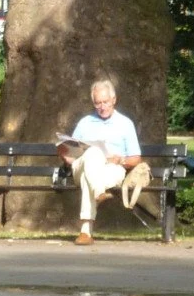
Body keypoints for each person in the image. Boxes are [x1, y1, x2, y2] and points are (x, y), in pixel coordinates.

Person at [56, 79, 141, 246]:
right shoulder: (85, 122)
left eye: (105, 102)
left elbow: (136, 158)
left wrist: (121, 159)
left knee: (89, 177)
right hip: (82, 166)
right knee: (93, 152)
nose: (102, 107)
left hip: (112, 169)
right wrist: (67, 156)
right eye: (97, 103)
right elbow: (74, 149)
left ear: (114, 100)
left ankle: (85, 231)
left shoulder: (125, 124)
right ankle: (98, 192)